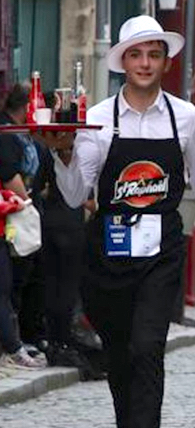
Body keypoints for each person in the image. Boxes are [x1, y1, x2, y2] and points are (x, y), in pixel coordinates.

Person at [38, 15, 195, 427]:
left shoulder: (186, 118)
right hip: (107, 258)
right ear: (123, 62)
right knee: (120, 354)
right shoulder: (97, 119)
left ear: (166, 62)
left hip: (160, 253)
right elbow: (76, 194)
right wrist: (63, 154)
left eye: (154, 54)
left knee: (148, 347)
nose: (145, 63)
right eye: (136, 55)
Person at [0, 83, 48, 359]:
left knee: (29, 274)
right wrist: (28, 202)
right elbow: (10, 172)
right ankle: (12, 342)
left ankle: (22, 335)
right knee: (12, 279)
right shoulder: (8, 134)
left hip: (29, 207)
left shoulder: (26, 136)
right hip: (16, 212)